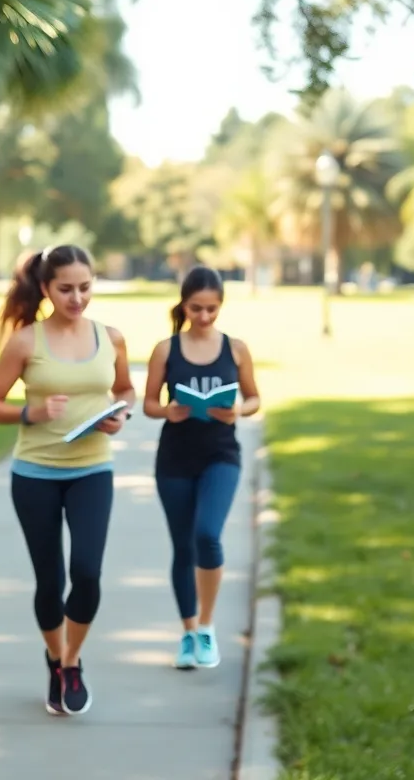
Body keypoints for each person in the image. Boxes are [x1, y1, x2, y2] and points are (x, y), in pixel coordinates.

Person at [0, 245, 135, 715]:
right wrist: (33, 411)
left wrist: (120, 412)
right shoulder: (27, 341)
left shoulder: (111, 337)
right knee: (51, 581)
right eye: (65, 289)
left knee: (87, 573)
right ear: (46, 289)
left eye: (85, 287)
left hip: (93, 469)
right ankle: (56, 659)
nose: (77, 297)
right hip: (36, 474)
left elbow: (125, 388)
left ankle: (71, 660)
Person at [142, 266, 260, 670]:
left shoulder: (237, 348)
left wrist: (238, 410)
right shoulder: (165, 350)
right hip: (175, 458)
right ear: (184, 304)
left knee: (207, 535)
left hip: (220, 456)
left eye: (212, 309)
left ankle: (207, 627)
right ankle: (188, 631)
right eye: (196, 308)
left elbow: (255, 398)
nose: (204, 317)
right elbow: (149, 405)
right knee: (182, 547)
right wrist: (169, 411)